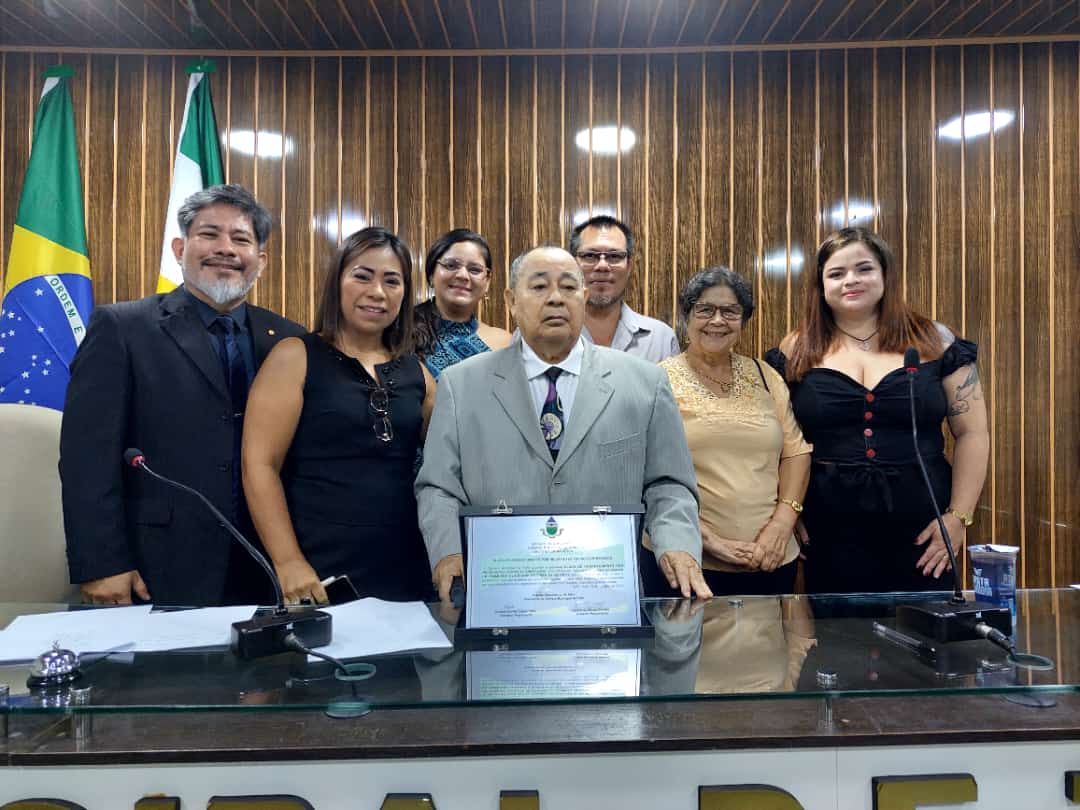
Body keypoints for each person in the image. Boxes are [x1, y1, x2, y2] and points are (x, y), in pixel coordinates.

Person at [416, 246, 712, 602]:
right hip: (502, 592)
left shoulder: (645, 383)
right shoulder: (461, 385)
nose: (556, 298)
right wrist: (448, 552)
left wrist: (677, 544)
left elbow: (670, 483)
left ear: (584, 298)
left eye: (569, 287)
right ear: (511, 300)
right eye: (539, 287)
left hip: (603, 596)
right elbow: (438, 486)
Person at [60, 184, 305, 606]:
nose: (225, 249)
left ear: (260, 261)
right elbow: (87, 457)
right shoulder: (122, 328)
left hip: (265, 565)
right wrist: (101, 562)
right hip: (157, 564)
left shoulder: (288, 339)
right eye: (209, 234)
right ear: (180, 247)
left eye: (241, 239)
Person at [766, 227, 989, 594]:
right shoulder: (797, 347)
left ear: (885, 274)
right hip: (828, 522)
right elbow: (775, 438)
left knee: (927, 639)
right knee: (839, 642)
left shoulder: (935, 339)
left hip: (925, 522)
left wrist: (958, 517)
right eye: (836, 273)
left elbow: (973, 433)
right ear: (821, 286)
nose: (851, 280)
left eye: (864, 269)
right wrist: (786, 509)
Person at [242, 227, 436, 605]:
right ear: (338, 282)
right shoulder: (294, 356)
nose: (377, 292)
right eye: (362, 276)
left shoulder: (417, 371)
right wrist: (288, 562)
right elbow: (259, 466)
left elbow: (452, 462)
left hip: (405, 563)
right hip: (317, 566)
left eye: (392, 281)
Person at [659, 268, 812, 596]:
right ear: (687, 316)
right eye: (705, 309)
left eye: (730, 311)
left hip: (772, 558)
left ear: (743, 320)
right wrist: (710, 540)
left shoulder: (766, 375)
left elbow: (796, 453)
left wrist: (782, 526)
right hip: (691, 561)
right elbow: (648, 477)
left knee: (770, 648)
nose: (717, 320)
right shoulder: (659, 380)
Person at [569, 215, 679, 361]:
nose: (602, 266)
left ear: (629, 267)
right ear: (571, 264)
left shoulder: (660, 340)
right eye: (590, 255)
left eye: (614, 256)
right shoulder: (552, 335)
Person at [413, 228, 512, 378]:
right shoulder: (402, 331)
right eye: (451, 265)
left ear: (487, 281)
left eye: (474, 269)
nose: (462, 275)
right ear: (432, 273)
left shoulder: (505, 343)